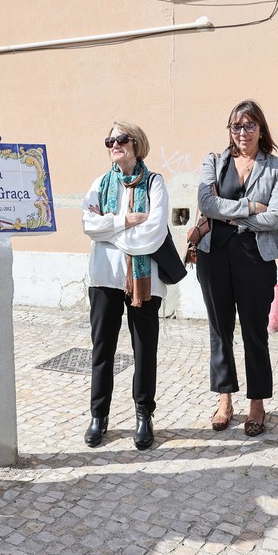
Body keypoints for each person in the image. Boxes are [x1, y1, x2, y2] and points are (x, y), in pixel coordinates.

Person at [196, 100, 278, 436]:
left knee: (254, 333)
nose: (243, 132)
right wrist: (249, 207)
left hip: (255, 259)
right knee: (220, 331)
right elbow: (206, 203)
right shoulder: (214, 162)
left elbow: (275, 217)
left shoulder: (276, 167)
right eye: (236, 126)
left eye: (250, 125)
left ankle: (257, 404)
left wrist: (231, 216)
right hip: (214, 256)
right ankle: (224, 401)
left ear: (261, 129)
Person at [81, 122, 168, 450]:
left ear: (136, 144)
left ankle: (144, 415)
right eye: (110, 140)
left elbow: (154, 232)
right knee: (102, 348)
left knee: (144, 350)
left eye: (121, 139)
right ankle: (98, 416)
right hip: (104, 277)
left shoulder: (155, 183)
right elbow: (88, 224)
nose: (114, 144)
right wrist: (125, 221)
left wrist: (109, 231)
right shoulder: (100, 183)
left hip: (145, 281)